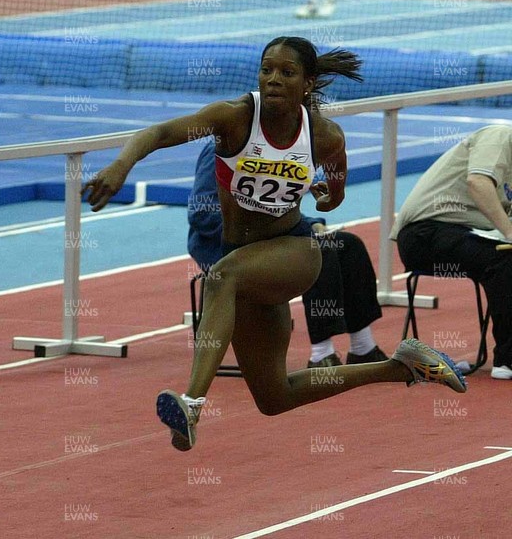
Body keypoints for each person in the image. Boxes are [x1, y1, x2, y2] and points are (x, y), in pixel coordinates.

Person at [83, 36, 467, 452]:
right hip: (246, 261)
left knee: (221, 276)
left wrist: (323, 195)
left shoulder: (324, 137)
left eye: (286, 72)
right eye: (267, 69)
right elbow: (159, 132)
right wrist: (121, 165)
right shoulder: (232, 118)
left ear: (308, 82)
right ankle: (399, 367)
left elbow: (335, 195)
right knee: (274, 396)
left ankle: (192, 404)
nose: (273, 79)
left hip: (294, 251)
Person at [188, 140, 388, 368]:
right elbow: (202, 215)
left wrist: (311, 224)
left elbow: (282, 210)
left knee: (347, 245)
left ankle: (363, 347)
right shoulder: (221, 149)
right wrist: (260, 231)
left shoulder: (276, 150)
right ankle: (321, 354)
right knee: (317, 251)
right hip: (225, 246)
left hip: (274, 239)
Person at [391, 125, 512, 381]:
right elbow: (478, 182)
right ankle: (508, 359)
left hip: (461, 234)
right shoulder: (500, 136)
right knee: (505, 261)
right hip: (423, 234)